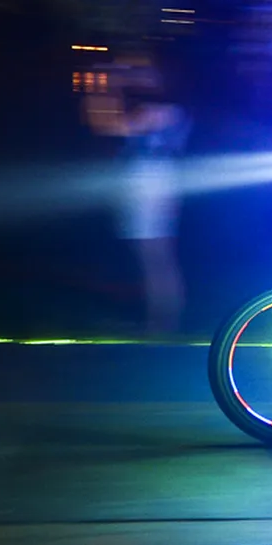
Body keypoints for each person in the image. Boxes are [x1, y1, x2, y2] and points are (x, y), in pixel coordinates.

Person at [84, 48, 192, 340]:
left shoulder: (163, 110)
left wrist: (105, 86)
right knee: (153, 255)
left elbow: (109, 126)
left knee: (156, 255)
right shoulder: (165, 109)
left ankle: (162, 326)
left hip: (152, 183)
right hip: (153, 182)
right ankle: (157, 322)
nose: (139, 77)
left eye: (146, 72)